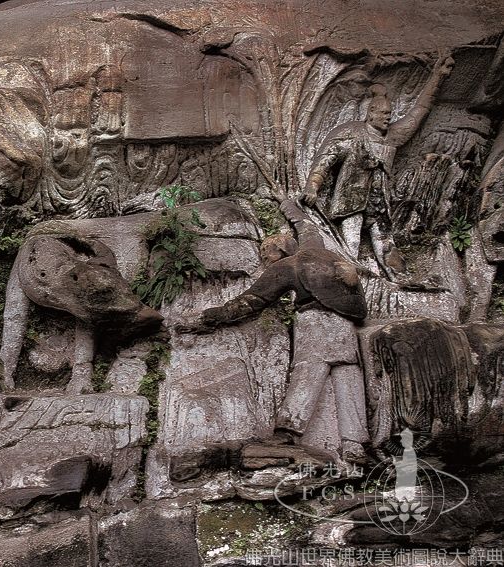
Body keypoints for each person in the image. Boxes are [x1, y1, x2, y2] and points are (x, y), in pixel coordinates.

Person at [185, 199, 370, 464]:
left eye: (266, 253)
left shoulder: (286, 266)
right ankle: (355, 445)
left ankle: (288, 431)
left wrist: (210, 316)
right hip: (345, 323)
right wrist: (288, 205)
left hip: (315, 321)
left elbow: (252, 301)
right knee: (348, 377)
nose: (263, 259)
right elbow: (306, 226)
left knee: (308, 372)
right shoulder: (316, 250)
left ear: (280, 249)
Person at [302, 55, 454, 280]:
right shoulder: (350, 132)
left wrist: (438, 77)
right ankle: (351, 278)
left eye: (389, 114)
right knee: (351, 241)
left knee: (386, 243)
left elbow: (419, 111)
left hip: (379, 202)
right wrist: (312, 186)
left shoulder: (392, 137)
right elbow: (325, 159)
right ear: (370, 113)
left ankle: (399, 280)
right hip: (352, 200)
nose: (387, 118)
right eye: (383, 114)